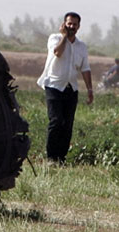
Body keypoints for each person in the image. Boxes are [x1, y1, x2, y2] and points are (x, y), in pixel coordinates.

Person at [37, 12, 93, 164]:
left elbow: (85, 68)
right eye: (69, 24)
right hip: (54, 86)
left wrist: (90, 90)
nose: (71, 27)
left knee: (67, 125)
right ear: (64, 24)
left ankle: (61, 158)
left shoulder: (81, 47)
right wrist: (64, 37)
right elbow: (57, 52)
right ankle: (51, 157)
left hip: (71, 88)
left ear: (78, 27)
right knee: (56, 121)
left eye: (74, 24)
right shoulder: (55, 39)